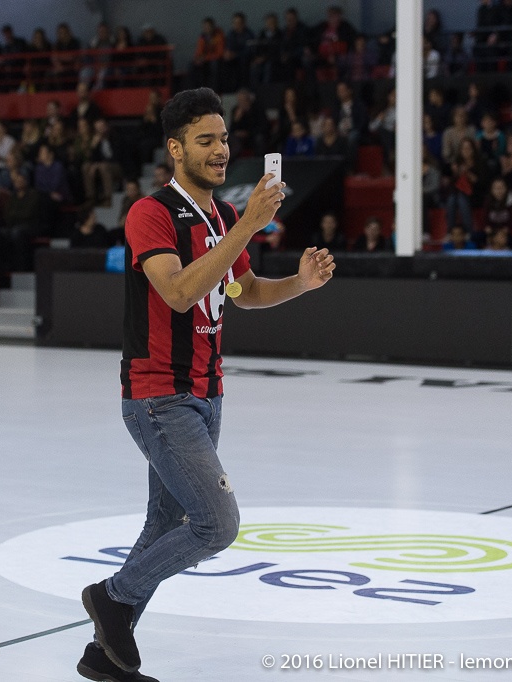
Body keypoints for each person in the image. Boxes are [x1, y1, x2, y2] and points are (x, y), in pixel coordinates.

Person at [77, 87, 334, 682]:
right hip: (159, 396)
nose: (221, 151)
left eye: (223, 139)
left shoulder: (219, 218)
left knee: (165, 525)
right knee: (217, 524)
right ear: (176, 148)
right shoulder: (152, 213)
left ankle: (103, 655)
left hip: (206, 394)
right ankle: (112, 597)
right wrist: (247, 225)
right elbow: (178, 291)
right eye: (206, 140)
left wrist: (299, 282)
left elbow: (247, 293)